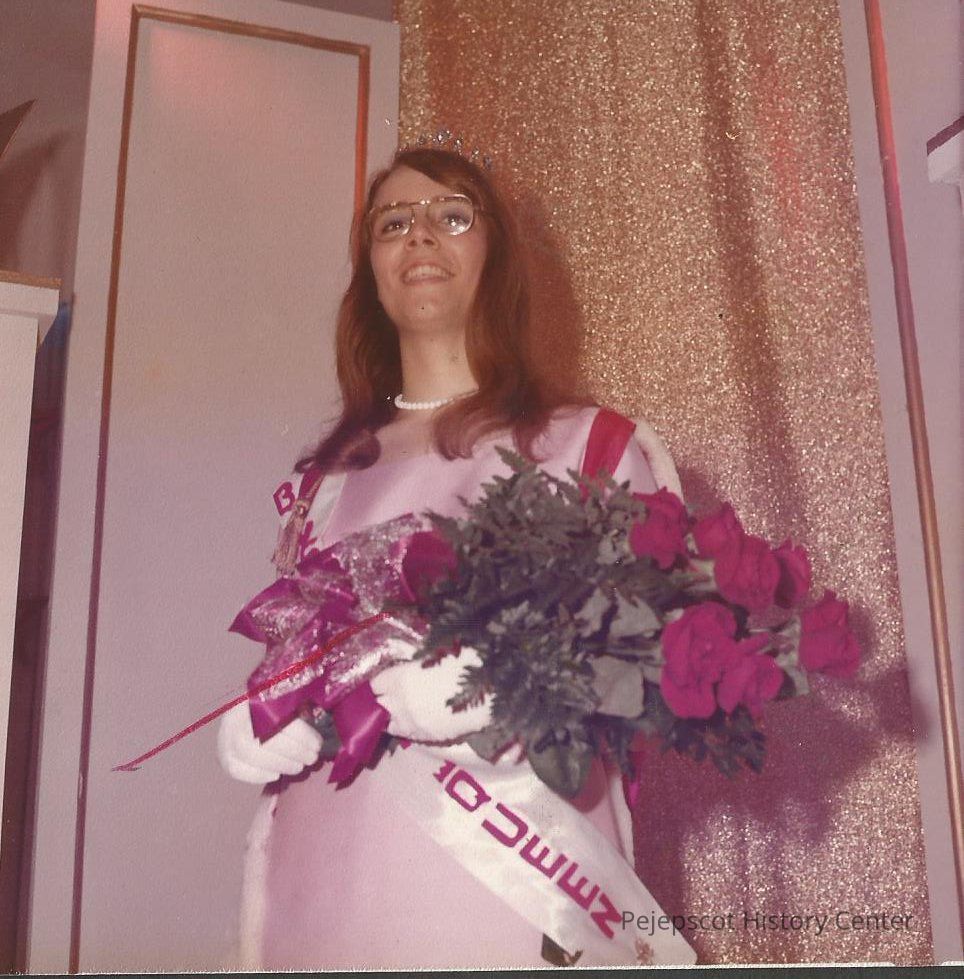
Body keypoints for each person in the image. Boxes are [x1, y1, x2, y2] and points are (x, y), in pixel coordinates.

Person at [216, 141, 692, 969]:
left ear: (494, 255)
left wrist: (498, 685)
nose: (421, 234)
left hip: (507, 893)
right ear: (370, 273)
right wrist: (259, 718)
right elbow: (299, 659)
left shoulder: (588, 445)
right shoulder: (326, 479)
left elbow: (663, 661)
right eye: (392, 223)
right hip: (323, 887)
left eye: (452, 215)